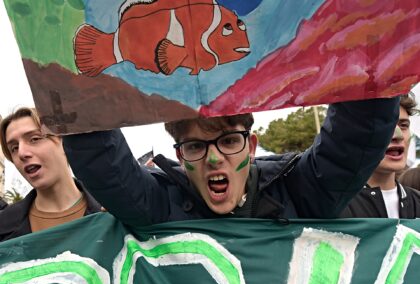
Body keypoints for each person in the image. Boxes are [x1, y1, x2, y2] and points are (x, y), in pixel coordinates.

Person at [63, 96, 399, 226]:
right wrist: (75, 87)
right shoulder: (160, 207)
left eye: (228, 141)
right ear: (180, 156)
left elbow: (354, 140)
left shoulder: (301, 192)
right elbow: (105, 165)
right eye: (195, 146)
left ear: (251, 146)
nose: (213, 158)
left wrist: (373, 59)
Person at [0, 107, 103, 241]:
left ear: (64, 141)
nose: (21, 153)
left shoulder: (113, 211)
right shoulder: (4, 226)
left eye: (34, 139)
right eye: (14, 148)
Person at [341, 94, 420, 218]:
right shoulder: (334, 208)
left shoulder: (417, 202)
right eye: (384, 125)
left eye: (403, 125)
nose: (397, 136)